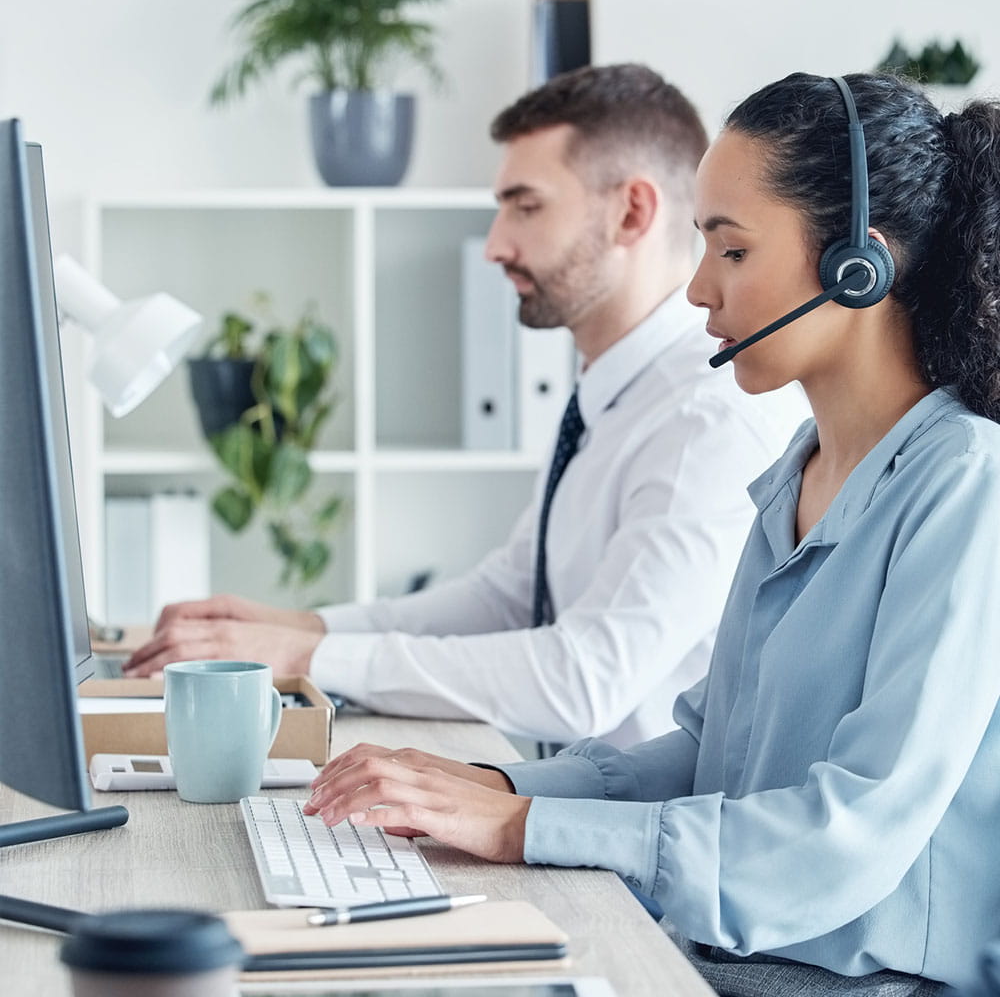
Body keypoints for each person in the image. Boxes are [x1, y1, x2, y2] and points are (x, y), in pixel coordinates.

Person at [298, 70, 1000, 996]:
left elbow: (843, 841)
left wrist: (521, 831)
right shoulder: (800, 469)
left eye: (734, 253)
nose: (700, 291)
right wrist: (495, 790)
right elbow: (708, 755)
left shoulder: (964, 482)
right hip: (738, 954)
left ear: (855, 267)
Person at [125, 64, 803, 748]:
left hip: (624, 840)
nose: (495, 244)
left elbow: (585, 680)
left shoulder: (705, 420)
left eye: (526, 206)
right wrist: (305, 628)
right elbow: (507, 596)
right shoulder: (614, 395)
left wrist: (309, 659)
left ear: (632, 211)